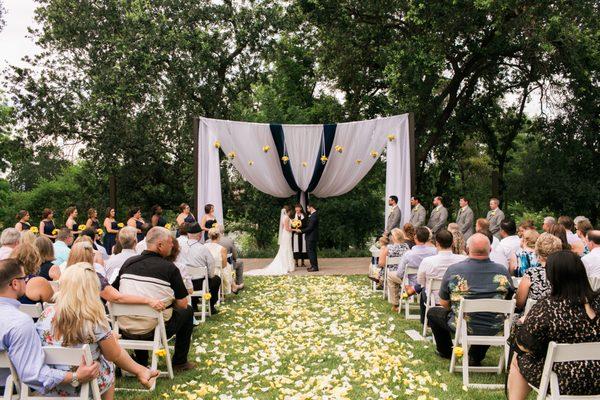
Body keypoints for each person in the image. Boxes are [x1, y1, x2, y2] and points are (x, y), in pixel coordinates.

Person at [36, 262, 159, 397]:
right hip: (86, 383)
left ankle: (141, 371)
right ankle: (141, 371)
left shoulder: (45, 314)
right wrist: (110, 338)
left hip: (55, 384)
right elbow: (113, 355)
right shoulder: (93, 318)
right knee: (108, 362)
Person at [0, 258, 100, 395]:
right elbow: (33, 374)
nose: (27, 281)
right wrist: (76, 376)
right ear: (15, 284)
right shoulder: (19, 322)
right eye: (25, 278)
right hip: (8, 389)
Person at [507, 251, 600, 398]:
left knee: (518, 359)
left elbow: (523, 345)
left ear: (552, 277)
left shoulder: (548, 308)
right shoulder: (597, 301)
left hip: (563, 380)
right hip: (597, 377)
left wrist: (522, 323)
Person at [113, 227, 195, 371]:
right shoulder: (170, 268)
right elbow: (182, 303)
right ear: (160, 245)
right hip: (153, 330)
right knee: (187, 311)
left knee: (139, 313)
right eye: (170, 242)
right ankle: (180, 361)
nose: (172, 245)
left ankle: (141, 361)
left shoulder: (128, 263)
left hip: (125, 328)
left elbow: (113, 291)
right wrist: (170, 300)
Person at [427, 233, 514, 364]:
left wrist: (457, 309)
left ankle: (446, 351)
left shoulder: (454, 270)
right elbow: (508, 300)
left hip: (463, 324)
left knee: (433, 313)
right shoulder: (502, 271)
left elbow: (444, 303)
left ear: (467, 250)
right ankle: (474, 356)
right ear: (490, 250)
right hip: (494, 326)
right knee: (486, 318)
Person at [417, 229, 467, 321]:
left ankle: (425, 321)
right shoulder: (463, 259)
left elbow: (420, 281)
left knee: (423, 289)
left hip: (435, 299)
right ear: (452, 243)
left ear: (437, 243)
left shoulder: (428, 261)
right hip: (457, 298)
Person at [387, 227, 437, 311]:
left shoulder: (408, 254)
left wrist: (405, 281)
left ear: (415, 238)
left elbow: (399, 273)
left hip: (411, 283)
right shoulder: (435, 251)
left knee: (390, 275)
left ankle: (395, 304)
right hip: (430, 281)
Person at [515, 233, 562, 310]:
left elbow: (519, 303)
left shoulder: (531, 274)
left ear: (538, 251)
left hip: (534, 318)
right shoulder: (566, 272)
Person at [184, 223, 221, 315]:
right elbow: (211, 263)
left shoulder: (180, 247)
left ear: (188, 234)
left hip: (184, 283)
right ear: (200, 235)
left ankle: (194, 304)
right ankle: (211, 305)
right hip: (200, 283)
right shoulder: (203, 248)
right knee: (216, 279)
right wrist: (210, 275)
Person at [248, 207, 295, 276]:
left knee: (284, 249)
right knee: (287, 249)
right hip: (287, 235)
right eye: (290, 211)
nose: (291, 212)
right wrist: (295, 230)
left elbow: (284, 226)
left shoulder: (284, 217)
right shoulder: (287, 218)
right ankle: (287, 266)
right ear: (289, 211)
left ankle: (287, 265)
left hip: (285, 235)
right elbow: (287, 228)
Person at [206, 228, 241, 294]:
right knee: (227, 266)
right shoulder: (222, 249)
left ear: (209, 236)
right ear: (219, 236)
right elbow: (223, 265)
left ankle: (234, 286)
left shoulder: (204, 246)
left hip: (206, 270)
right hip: (217, 272)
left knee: (227, 266)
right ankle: (233, 286)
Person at [216, 224, 244, 289]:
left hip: (213, 266)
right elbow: (235, 256)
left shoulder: (208, 241)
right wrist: (234, 259)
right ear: (223, 231)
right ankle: (239, 283)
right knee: (240, 262)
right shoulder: (229, 241)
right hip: (226, 265)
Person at [300, 204, 319, 272]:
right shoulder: (313, 215)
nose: (307, 209)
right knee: (312, 252)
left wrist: (301, 231)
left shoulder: (314, 215)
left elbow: (310, 227)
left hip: (311, 237)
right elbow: (308, 225)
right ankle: (313, 266)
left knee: (311, 252)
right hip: (311, 236)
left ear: (311, 208)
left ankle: (314, 267)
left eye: (308, 208)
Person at [291, 204, 308, 268]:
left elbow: (306, 224)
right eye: (296, 208)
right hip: (296, 234)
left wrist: (301, 226)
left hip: (302, 233)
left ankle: (303, 262)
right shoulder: (293, 216)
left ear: (300, 208)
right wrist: (294, 227)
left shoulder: (304, 215)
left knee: (303, 247)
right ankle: (296, 262)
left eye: (298, 208)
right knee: (296, 247)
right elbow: (290, 224)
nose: (297, 209)